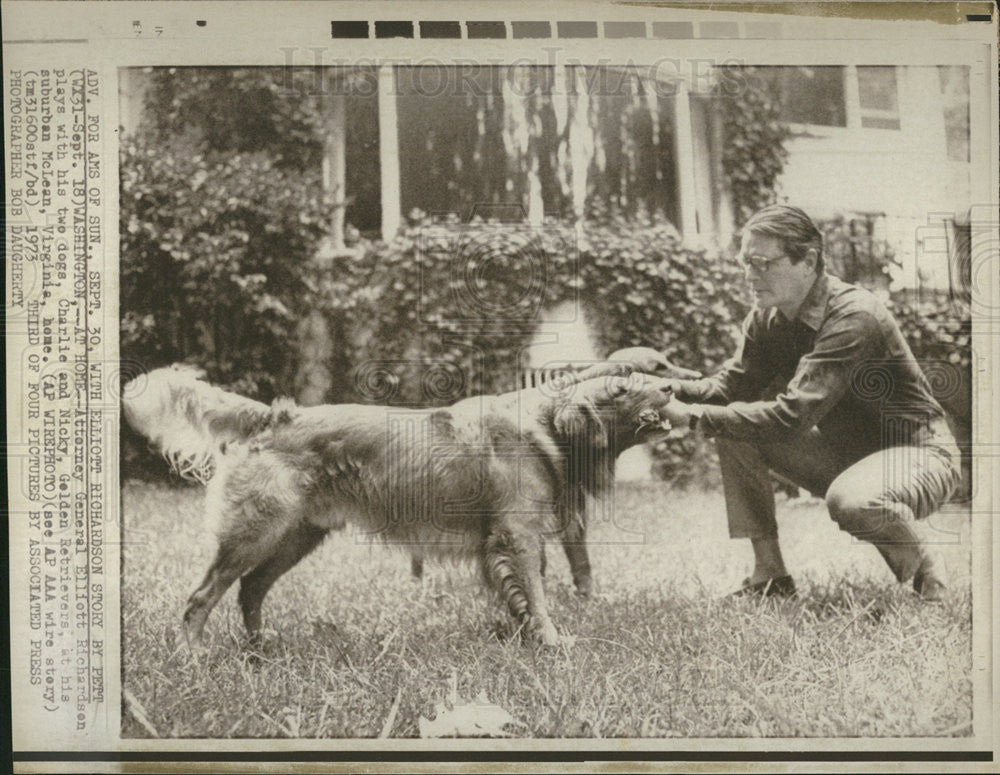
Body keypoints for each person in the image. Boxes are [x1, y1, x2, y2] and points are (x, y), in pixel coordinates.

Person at [660, 204, 961, 600]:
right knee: (733, 427)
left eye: (762, 263)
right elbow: (729, 389)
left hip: (917, 454)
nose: (750, 275)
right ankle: (770, 577)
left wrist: (692, 417)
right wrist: (655, 389)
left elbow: (791, 417)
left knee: (852, 500)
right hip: (847, 456)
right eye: (745, 263)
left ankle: (931, 584)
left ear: (809, 261)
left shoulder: (854, 316)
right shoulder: (767, 318)